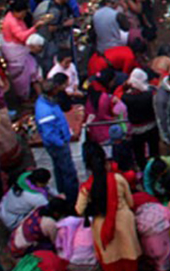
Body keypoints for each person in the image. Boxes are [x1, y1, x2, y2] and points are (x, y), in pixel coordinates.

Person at [77, 140, 141, 271]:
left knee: (111, 259)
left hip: (101, 224)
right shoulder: (118, 179)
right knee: (129, 256)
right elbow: (131, 203)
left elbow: (79, 210)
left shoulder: (86, 187)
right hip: (124, 220)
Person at [35, 73, 78, 205]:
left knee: (59, 170)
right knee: (69, 173)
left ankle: (63, 194)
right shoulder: (45, 110)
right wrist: (62, 142)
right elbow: (49, 134)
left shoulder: (49, 103)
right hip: (57, 145)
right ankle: (73, 200)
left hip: (58, 142)